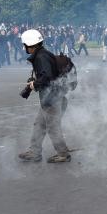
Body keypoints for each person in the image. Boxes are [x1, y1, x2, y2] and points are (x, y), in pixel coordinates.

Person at [18, 29, 71, 163]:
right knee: (39, 125)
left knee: (52, 127)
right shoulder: (43, 54)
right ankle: (34, 152)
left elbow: (47, 76)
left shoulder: (41, 57)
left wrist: (33, 85)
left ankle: (63, 154)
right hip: (50, 98)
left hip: (52, 99)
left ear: (29, 45)